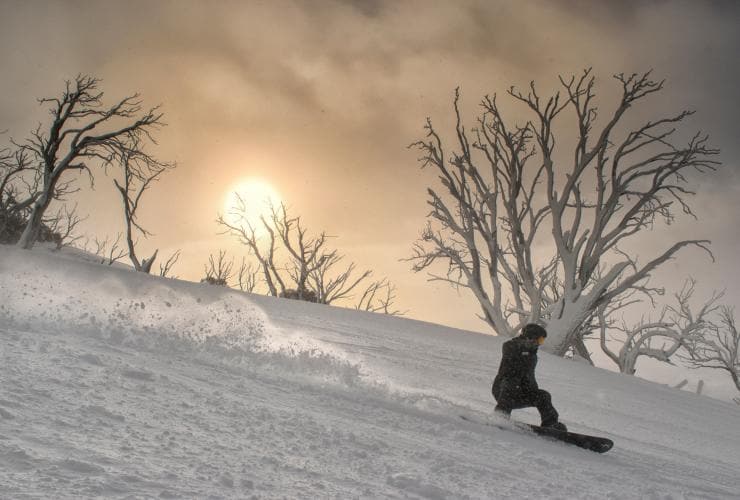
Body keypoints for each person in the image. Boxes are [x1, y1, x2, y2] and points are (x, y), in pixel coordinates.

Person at [492, 323, 567, 431]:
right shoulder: (510, 346)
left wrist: (534, 392)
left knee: (544, 396)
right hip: (502, 391)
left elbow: (529, 377)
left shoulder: (532, 355)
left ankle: (550, 424)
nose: (540, 344)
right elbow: (510, 366)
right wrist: (524, 347)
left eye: (542, 341)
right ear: (531, 337)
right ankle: (500, 416)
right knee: (511, 382)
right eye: (540, 340)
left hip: (521, 393)